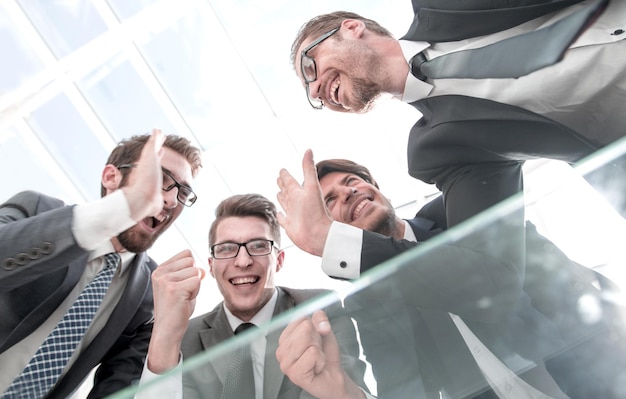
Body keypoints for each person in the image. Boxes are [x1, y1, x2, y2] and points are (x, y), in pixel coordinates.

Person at [278, 158, 626, 398]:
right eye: (332, 201)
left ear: (378, 188)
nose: (349, 193)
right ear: (336, 228)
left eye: (352, 182)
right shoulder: (366, 302)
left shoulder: (456, 213)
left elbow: (562, 288)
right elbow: (403, 388)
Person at [289, 2, 626, 225]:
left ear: (351, 28)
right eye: (310, 95)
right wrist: (333, 244)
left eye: (309, 66)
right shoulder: (441, 149)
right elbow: (486, 271)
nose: (315, 90)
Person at [0, 129, 203, 398]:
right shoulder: (37, 209)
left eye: (183, 192)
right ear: (110, 177)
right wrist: (122, 208)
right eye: (160, 178)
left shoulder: (152, 296)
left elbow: (117, 387)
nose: (170, 199)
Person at [136, 193, 371, 399]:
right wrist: (163, 341)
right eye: (227, 248)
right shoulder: (185, 337)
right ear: (211, 266)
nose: (243, 261)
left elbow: (347, 389)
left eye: (258, 246)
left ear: (278, 261)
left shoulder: (319, 310)